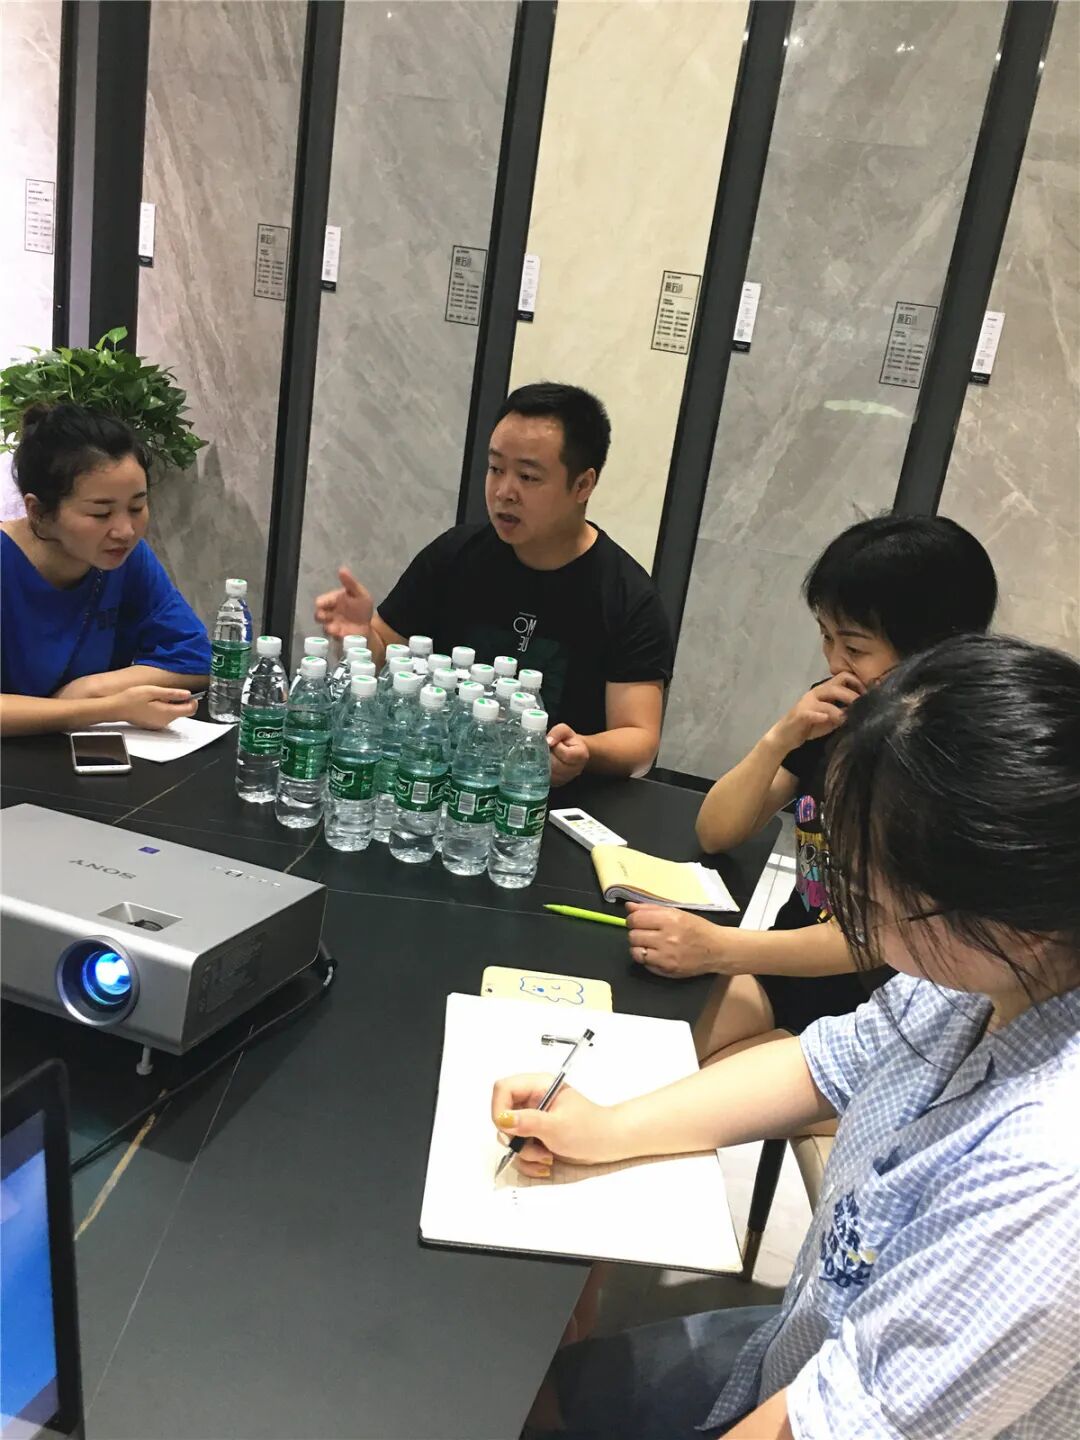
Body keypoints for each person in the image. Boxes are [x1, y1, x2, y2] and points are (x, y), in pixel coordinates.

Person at [494, 634, 1080, 1439]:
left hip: (847, 1398)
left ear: (1018, 916)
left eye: (873, 897)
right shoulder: (981, 978)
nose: (854, 910)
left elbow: (845, 1419)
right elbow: (819, 1065)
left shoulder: (1047, 1179)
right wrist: (608, 1127)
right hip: (802, 1342)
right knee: (525, 1390)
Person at [624, 515, 998, 1062]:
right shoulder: (839, 710)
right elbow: (716, 831)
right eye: (826, 637)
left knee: (687, 1087)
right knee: (647, 1055)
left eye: (854, 647)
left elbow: (876, 937)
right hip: (788, 963)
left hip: (876, 1014)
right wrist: (782, 735)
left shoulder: (945, 764)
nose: (833, 662)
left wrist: (720, 948)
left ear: (931, 651)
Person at [314, 382, 674, 785]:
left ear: (582, 485)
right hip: (440, 785)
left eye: (528, 476)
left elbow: (639, 737)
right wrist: (361, 637)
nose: (504, 492)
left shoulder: (627, 596)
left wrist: (585, 750)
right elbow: (387, 655)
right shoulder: (454, 556)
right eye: (496, 468)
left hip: (549, 799)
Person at [0, 404, 210, 737]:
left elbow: (196, 657)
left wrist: (92, 688)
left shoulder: (126, 558)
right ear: (38, 512)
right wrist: (107, 707)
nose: (125, 531)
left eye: (137, 507)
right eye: (101, 514)